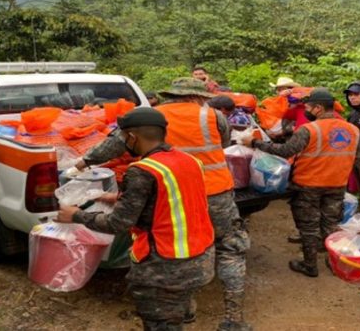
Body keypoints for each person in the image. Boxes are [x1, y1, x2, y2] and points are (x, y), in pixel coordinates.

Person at [75, 78, 251, 331]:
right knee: (230, 250)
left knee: (183, 249)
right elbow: (224, 145)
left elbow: (115, 144)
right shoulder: (213, 116)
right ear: (198, 96)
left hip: (171, 193)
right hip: (215, 192)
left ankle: (184, 311)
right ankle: (233, 320)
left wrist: (82, 163)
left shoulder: (152, 117)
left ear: (170, 95)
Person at [56, 108, 215, 330]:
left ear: (131, 137)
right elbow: (168, 198)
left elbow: (118, 224)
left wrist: (75, 215)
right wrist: (116, 197)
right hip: (200, 258)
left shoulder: (142, 171)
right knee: (180, 314)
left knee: (161, 324)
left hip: (165, 267)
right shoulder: (189, 160)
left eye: (122, 137)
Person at [242, 88, 360, 277]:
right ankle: (333, 262)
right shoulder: (353, 130)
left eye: (309, 107)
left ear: (319, 108)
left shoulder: (309, 129)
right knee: (330, 224)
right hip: (337, 183)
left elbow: (286, 150)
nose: (307, 110)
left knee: (308, 226)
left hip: (309, 184)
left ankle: (310, 265)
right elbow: (357, 156)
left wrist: (255, 143)